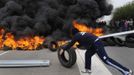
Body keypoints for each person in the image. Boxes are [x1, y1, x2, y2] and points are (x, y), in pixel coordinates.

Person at [62, 31, 132, 75]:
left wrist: (64, 48)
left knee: (106, 60)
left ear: (72, 34)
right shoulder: (81, 34)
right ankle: (88, 69)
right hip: (94, 44)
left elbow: (70, 45)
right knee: (87, 54)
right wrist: (77, 46)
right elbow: (81, 44)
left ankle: (126, 71)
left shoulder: (76, 36)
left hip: (97, 43)